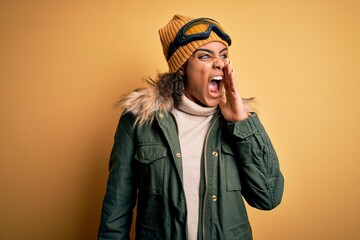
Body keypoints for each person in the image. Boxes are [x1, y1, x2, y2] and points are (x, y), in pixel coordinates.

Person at [98, 14, 284, 240]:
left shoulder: (238, 124)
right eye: (205, 56)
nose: (219, 62)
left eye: (223, 55)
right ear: (181, 67)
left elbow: (269, 197)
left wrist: (241, 122)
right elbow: (116, 212)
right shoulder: (140, 121)